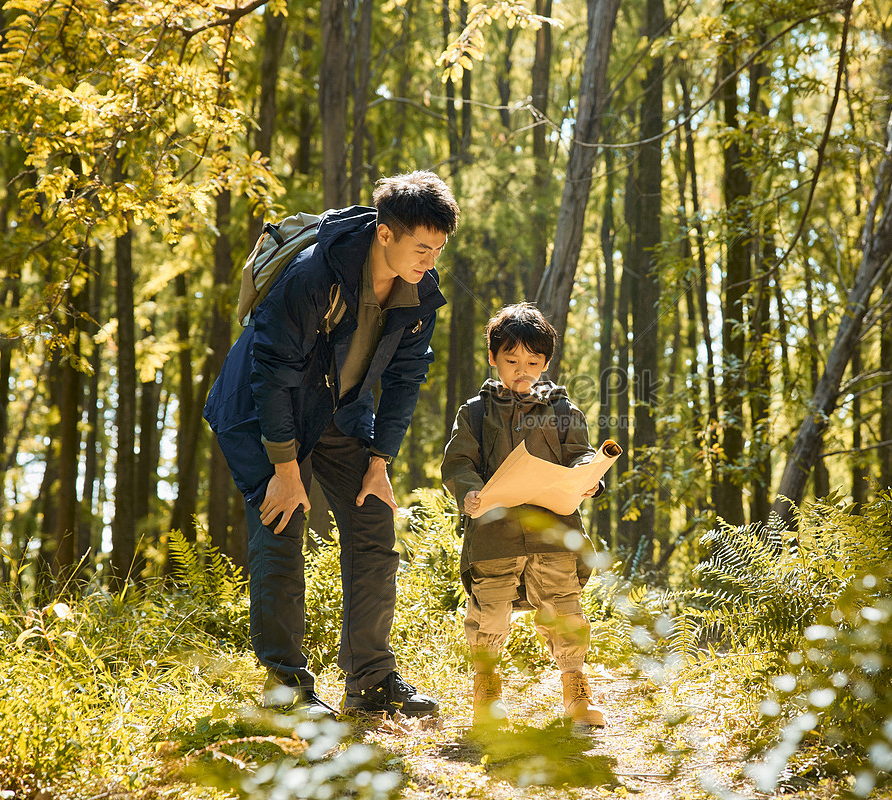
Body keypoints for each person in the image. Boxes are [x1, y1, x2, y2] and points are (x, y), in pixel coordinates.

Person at [203, 170, 459, 719]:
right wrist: (285, 467)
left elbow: (407, 377)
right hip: (264, 413)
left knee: (373, 524)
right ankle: (286, 694)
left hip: (340, 414)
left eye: (438, 249)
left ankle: (370, 680)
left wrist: (380, 461)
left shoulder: (419, 295)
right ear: (384, 235)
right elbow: (271, 371)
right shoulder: (313, 275)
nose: (429, 260)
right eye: (421, 247)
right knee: (281, 527)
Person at [441, 303, 607, 728]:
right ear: (493, 358)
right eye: (511, 360)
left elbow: (580, 455)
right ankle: (487, 692)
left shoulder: (565, 411)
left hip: (554, 532)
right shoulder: (475, 412)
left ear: (546, 363)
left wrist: (588, 476)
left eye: (533, 362)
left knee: (564, 608)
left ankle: (576, 690)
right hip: (494, 532)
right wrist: (470, 491)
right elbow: (458, 462)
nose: (522, 370)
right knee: (490, 611)